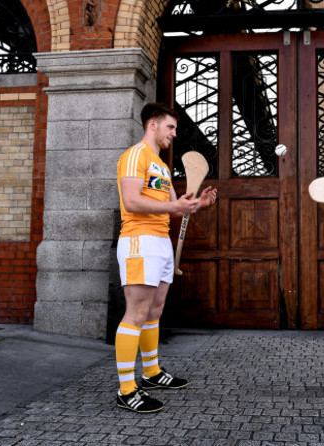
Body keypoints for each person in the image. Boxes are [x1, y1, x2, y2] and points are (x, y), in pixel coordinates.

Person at [114, 102, 217, 413]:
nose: (174, 133)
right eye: (170, 127)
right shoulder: (135, 155)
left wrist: (199, 204)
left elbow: (176, 205)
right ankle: (126, 389)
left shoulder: (161, 165)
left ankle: (152, 372)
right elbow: (132, 201)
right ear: (153, 125)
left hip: (160, 242)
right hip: (139, 240)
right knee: (136, 312)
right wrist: (176, 208)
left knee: (155, 310)